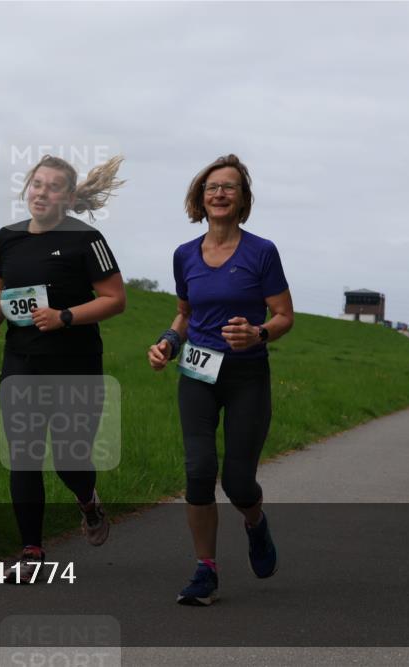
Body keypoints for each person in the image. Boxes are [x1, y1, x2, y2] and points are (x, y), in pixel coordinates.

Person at [147, 154, 293, 605]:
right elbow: (185, 313)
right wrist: (169, 341)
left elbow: (284, 315)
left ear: (243, 199)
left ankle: (255, 523)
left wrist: (258, 333)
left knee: (238, 483)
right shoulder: (184, 255)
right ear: (200, 197)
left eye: (229, 187)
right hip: (197, 372)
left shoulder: (261, 252)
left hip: (247, 375)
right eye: (212, 187)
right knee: (198, 471)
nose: (220, 193)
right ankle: (205, 570)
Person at [0, 154, 127, 583]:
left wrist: (64, 316)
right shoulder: (7, 237)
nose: (42, 193)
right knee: (23, 456)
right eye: (37, 184)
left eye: (53, 187)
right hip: (21, 361)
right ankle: (31, 552)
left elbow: (115, 299)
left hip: (74, 364)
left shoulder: (87, 239)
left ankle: (88, 502)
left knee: (68, 458)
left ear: (68, 196)